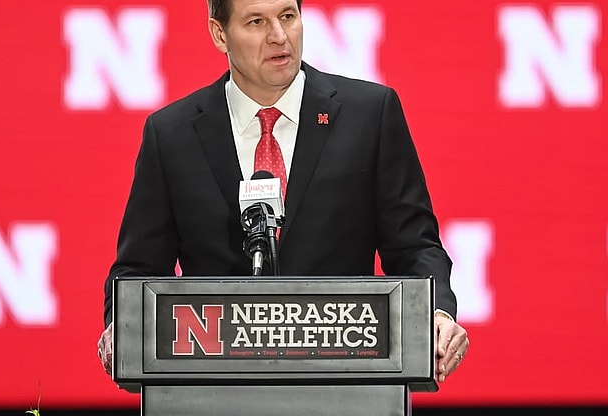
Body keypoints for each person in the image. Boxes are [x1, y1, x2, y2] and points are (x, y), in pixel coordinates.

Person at [97, 0, 469, 384]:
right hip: (217, 395)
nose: (279, 36)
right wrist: (121, 325)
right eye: (257, 22)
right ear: (219, 34)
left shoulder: (369, 116)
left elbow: (414, 245)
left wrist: (436, 311)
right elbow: (138, 268)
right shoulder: (171, 135)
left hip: (345, 385)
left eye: (288, 17)